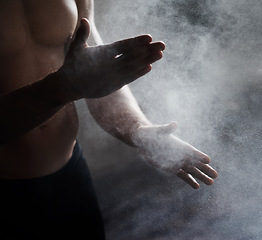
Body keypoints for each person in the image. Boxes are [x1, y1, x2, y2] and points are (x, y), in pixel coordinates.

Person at [0, 0, 218, 239]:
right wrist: (62, 88)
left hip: (69, 173)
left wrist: (138, 129)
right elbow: (71, 84)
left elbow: (93, 69)